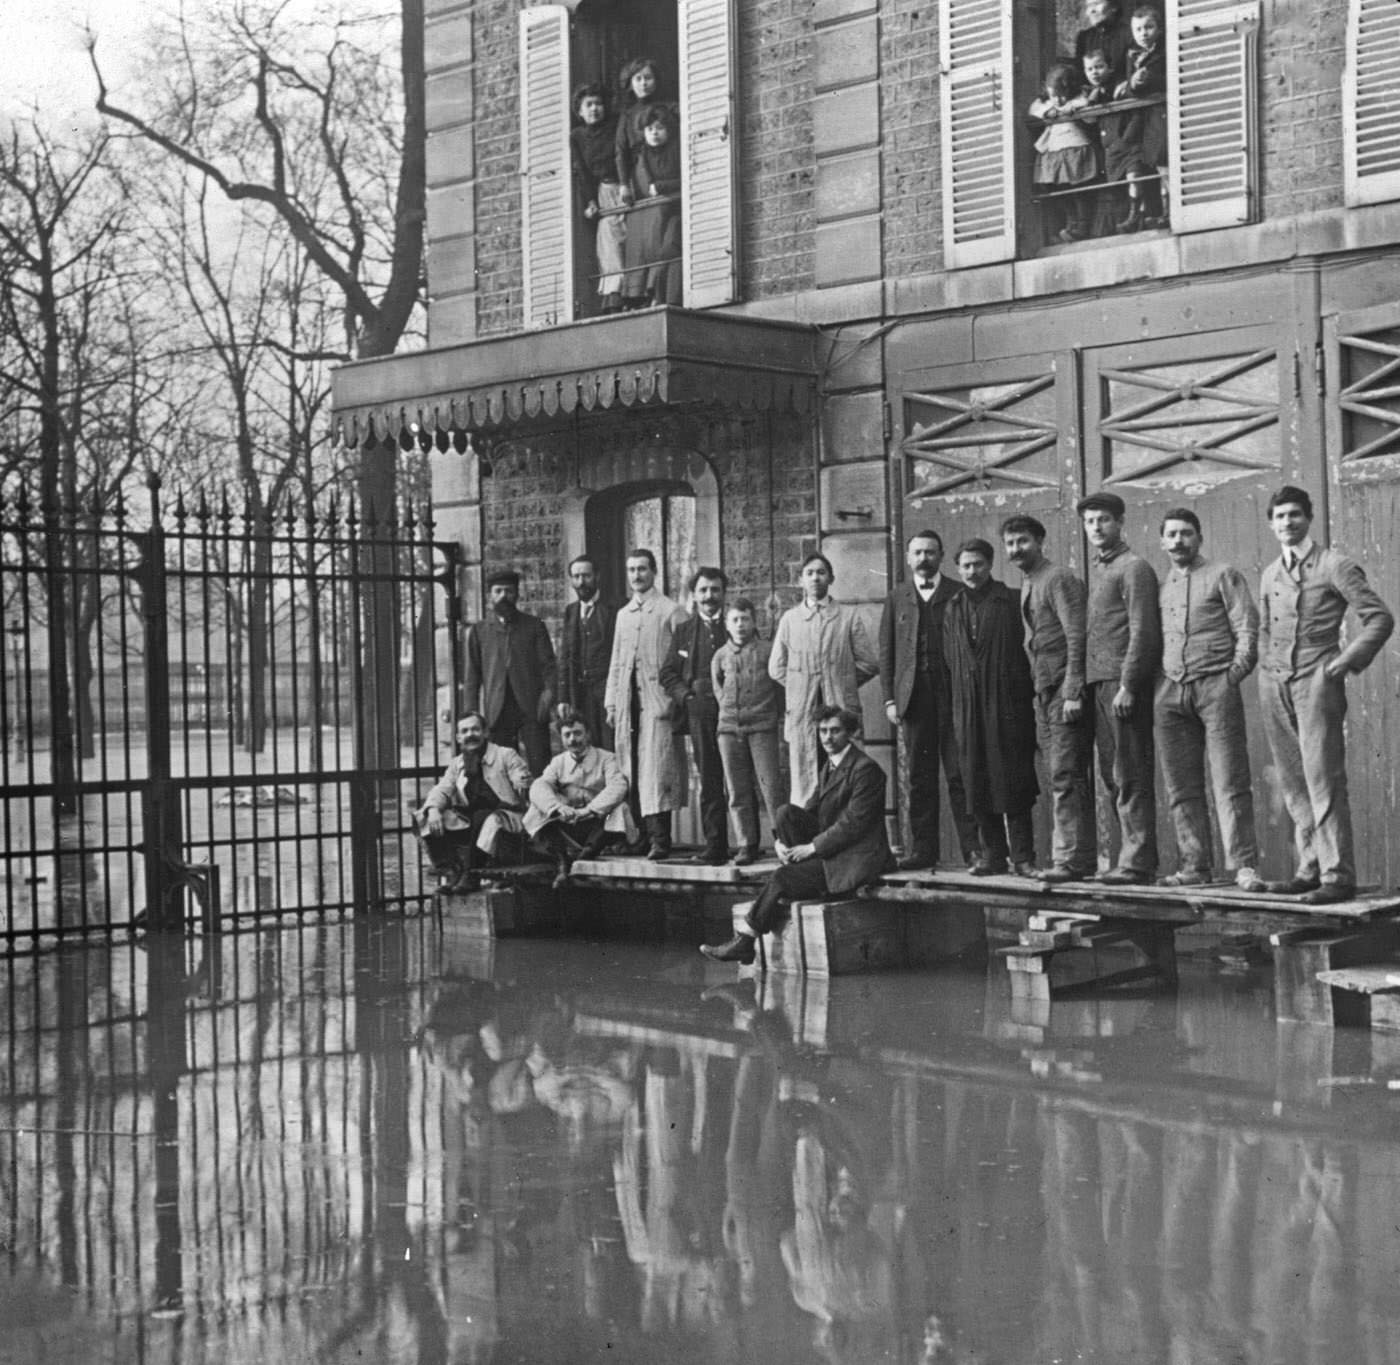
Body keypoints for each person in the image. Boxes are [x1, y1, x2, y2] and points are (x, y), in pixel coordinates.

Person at [1255, 485, 1394, 903]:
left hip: (1315, 681)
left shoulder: (1334, 564)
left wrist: (1345, 660)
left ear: (1308, 518)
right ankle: (1309, 867)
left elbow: (1379, 618)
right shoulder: (1269, 573)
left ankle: (1337, 875)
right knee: (1294, 781)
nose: (1287, 522)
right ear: (1271, 522)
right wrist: (1265, 669)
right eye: (1279, 516)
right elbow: (1264, 628)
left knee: (1322, 778)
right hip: (1274, 683)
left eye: (1295, 514)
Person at [699, 706, 894, 964]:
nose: (827, 737)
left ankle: (745, 940)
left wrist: (811, 848)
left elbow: (853, 824)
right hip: (833, 852)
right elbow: (812, 810)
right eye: (823, 731)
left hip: (856, 859)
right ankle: (799, 873)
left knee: (782, 876)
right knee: (785, 814)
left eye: (835, 731)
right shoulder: (831, 766)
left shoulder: (866, 770)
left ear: (850, 733)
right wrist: (781, 842)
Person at [1154, 508, 1265, 891]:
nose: (1178, 540)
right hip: (1171, 691)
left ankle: (1244, 867)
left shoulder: (1223, 574)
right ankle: (1194, 865)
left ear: (1199, 537)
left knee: (1229, 779)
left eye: (1186, 533)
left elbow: (1247, 626)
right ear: (1162, 541)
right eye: (1171, 534)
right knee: (1181, 786)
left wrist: (1232, 676)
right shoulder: (1163, 584)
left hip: (1215, 686)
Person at [878, 528, 979, 871]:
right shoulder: (897, 598)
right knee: (919, 778)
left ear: (940, 556)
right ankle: (923, 850)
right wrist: (890, 700)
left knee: (960, 774)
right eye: (918, 553)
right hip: (914, 698)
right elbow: (887, 652)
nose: (924, 558)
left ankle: (973, 850)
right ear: (909, 558)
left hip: (953, 697)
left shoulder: (958, 593)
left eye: (930, 552)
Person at [1003, 515, 1095, 881]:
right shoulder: (1029, 582)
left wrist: (1073, 691)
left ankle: (1068, 861)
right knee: (1061, 774)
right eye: (1010, 544)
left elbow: (1077, 636)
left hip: (1063, 690)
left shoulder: (1058, 578)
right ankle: (1079, 859)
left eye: (1022, 541)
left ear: (1040, 541)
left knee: (1065, 775)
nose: (1015, 550)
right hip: (1044, 691)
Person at [943, 539, 1040, 877]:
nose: (972, 571)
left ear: (990, 565)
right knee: (976, 780)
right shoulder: (952, 607)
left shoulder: (1011, 600)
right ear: (958, 568)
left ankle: (1024, 857)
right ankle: (993, 855)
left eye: (979, 564)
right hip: (967, 708)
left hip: (1007, 705)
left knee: (1012, 780)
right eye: (966, 565)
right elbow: (949, 658)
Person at [1080, 490, 1161, 885]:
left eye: (1104, 520)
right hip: (1099, 684)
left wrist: (1128, 684)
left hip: (1122, 685)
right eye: (1090, 521)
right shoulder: (1101, 570)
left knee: (1130, 773)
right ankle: (1131, 859)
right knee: (1113, 776)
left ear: (1120, 523)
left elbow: (1143, 631)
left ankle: (1137, 861)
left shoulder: (1134, 568)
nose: (1096, 528)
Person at [770, 552, 880, 808]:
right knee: (807, 777)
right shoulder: (790, 619)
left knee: (843, 773)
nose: (815, 578)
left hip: (839, 705)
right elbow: (776, 668)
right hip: (803, 713)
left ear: (831, 578)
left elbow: (869, 663)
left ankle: (841, 837)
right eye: (809, 573)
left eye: (821, 573)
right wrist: (801, 683)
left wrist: (842, 680)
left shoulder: (847, 616)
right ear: (801, 581)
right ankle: (808, 839)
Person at [604, 548, 689, 859]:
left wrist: (675, 698)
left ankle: (660, 839)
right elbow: (616, 662)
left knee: (658, 771)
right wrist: (612, 703)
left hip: (659, 705)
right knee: (632, 770)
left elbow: (686, 659)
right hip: (630, 704)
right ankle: (639, 834)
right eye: (631, 570)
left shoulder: (670, 611)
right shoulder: (623, 615)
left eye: (642, 569)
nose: (637, 575)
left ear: (654, 572)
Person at [415, 712, 532, 892]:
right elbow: (442, 789)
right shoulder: (457, 764)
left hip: (506, 818)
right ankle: (453, 870)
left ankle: (471, 874)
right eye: (465, 731)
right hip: (471, 820)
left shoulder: (505, 755)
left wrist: (520, 781)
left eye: (475, 729)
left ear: (485, 733)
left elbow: (520, 776)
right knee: (424, 817)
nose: (470, 734)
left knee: (482, 816)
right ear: (458, 737)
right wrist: (432, 809)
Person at [661, 566, 731, 864]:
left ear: (723, 593)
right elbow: (667, 673)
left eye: (715, 590)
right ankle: (716, 847)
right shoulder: (685, 631)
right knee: (710, 778)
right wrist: (686, 698)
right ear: (694, 595)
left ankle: (749, 845)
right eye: (703, 590)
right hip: (700, 711)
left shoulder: (735, 624)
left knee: (740, 779)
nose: (709, 596)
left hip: (734, 710)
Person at [712, 597, 785, 865]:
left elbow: (779, 687)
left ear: (754, 622)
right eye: (735, 620)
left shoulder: (768, 650)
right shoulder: (720, 656)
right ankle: (746, 844)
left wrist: (772, 715)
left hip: (762, 727)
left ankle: (782, 841)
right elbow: (718, 689)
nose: (740, 625)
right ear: (727, 624)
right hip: (729, 729)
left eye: (745, 619)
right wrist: (730, 716)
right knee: (737, 790)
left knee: (771, 787)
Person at [463, 568, 557, 776]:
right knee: (501, 767)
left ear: (517, 594)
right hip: (497, 710)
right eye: (498, 591)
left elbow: (549, 667)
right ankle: (508, 807)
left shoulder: (534, 626)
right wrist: (471, 714)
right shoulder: (479, 631)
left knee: (540, 764)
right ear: (490, 596)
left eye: (509, 591)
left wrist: (547, 696)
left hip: (531, 708)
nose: (504, 596)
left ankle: (541, 805)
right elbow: (472, 677)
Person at [525, 710, 634, 887]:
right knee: (536, 809)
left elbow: (618, 786)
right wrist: (557, 808)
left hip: (598, 825)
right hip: (570, 824)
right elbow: (540, 785)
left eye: (577, 733)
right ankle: (563, 861)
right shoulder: (558, 762)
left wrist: (589, 810)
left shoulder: (606, 758)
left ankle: (585, 856)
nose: (573, 739)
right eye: (567, 735)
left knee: (620, 808)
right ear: (561, 738)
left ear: (588, 734)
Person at [570, 83, 625, 314]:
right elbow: (582, 172)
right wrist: (590, 201)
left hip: (624, 185)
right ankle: (614, 297)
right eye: (589, 105)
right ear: (580, 111)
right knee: (609, 239)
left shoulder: (616, 126)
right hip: (603, 191)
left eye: (599, 104)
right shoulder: (578, 136)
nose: (595, 109)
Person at [1110, 6, 1167, 231]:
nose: (1144, 33)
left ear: (1159, 28)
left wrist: (1136, 84)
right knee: (1138, 163)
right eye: (1138, 29)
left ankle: (1168, 211)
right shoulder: (1131, 54)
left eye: (1149, 27)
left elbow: (1159, 81)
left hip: (1159, 114)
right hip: (1141, 117)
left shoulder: (1163, 51)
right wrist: (1130, 83)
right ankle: (1140, 213)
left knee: (1163, 163)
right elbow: (1132, 85)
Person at [1029, 61, 1099, 245]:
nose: (1058, 101)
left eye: (1063, 96)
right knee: (1060, 189)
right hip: (1053, 150)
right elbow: (1034, 107)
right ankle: (1070, 223)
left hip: (1074, 146)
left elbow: (1087, 104)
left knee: (1079, 189)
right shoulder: (1046, 103)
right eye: (1054, 96)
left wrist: (1074, 106)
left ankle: (1082, 226)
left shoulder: (1078, 98)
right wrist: (1048, 110)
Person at [624, 104, 682, 307]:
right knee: (655, 250)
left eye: (659, 128)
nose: (655, 133)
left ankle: (668, 298)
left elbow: (684, 179)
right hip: (657, 212)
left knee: (669, 249)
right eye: (650, 129)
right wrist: (654, 187)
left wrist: (661, 186)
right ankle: (654, 295)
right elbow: (646, 185)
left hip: (677, 211)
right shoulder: (644, 155)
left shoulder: (677, 150)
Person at [557, 554, 617, 749]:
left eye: (586, 576)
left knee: (609, 746)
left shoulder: (614, 609)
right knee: (585, 748)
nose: (581, 582)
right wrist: (564, 698)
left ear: (597, 577)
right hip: (580, 695)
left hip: (607, 694)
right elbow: (565, 657)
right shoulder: (571, 611)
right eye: (576, 577)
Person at [1074, 0, 1133, 84]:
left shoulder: (1129, 34)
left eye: (1096, 4)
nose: (1091, 11)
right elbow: (1079, 74)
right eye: (1088, 6)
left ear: (1114, 7)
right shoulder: (1084, 37)